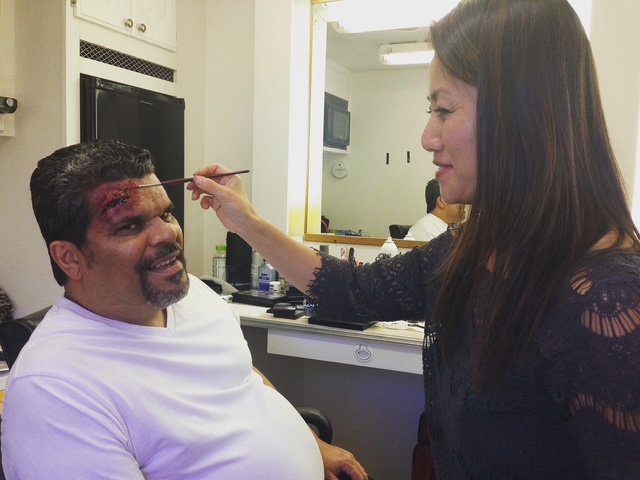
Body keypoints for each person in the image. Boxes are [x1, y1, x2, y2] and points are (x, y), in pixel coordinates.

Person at [188, 0, 640, 477]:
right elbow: (350, 290)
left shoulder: (610, 302)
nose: (427, 137)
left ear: (520, 113)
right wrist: (245, 220)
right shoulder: (467, 250)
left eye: (443, 110)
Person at [1, 139, 368, 480]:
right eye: (130, 225)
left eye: (166, 214)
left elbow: (242, 376)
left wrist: (312, 445)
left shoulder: (191, 295)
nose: (168, 234)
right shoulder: (53, 391)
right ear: (69, 257)